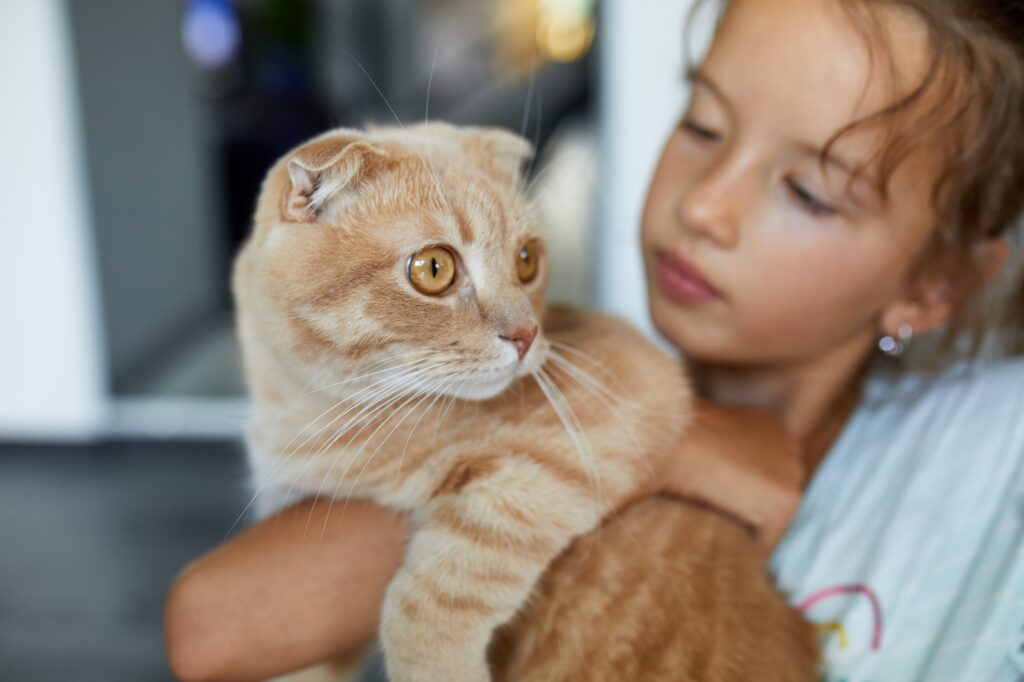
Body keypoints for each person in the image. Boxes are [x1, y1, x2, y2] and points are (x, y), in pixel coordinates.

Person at [164, 0, 1024, 679]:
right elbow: (211, 627)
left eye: (807, 191)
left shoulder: (985, 461)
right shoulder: (527, 375)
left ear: (934, 286)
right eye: (703, 124)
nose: (704, 206)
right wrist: (663, 446)